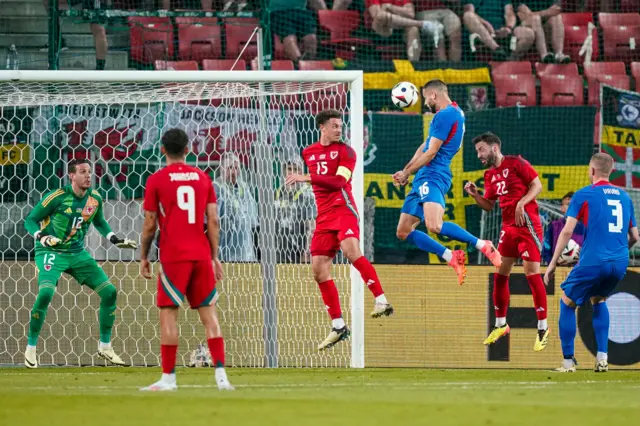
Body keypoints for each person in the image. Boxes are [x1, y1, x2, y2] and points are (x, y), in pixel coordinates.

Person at [286, 109, 393, 351]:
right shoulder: (308, 152)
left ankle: (381, 300)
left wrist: (307, 178)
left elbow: (339, 182)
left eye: (340, 126)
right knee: (318, 270)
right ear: (322, 127)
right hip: (323, 216)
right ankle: (338, 326)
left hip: (343, 209)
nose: (339, 130)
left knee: (351, 252)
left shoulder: (346, 151)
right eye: (334, 126)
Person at [139, 128, 233, 391]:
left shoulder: (156, 180)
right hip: (201, 255)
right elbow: (213, 220)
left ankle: (168, 379)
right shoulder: (203, 178)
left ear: (162, 150)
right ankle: (222, 377)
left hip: (174, 256)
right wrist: (214, 256)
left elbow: (149, 223)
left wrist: (144, 256)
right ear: (188, 150)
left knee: (169, 315)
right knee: (210, 316)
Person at [23, 159, 137, 368]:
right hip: (51, 251)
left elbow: (99, 221)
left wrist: (114, 239)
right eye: (83, 172)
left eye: (90, 172)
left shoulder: (94, 199)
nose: (88, 176)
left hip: (77, 253)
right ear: (72, 176)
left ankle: (105, 347)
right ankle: (31, 347)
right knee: (46, 293)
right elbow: (30, 220)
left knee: (110, 292)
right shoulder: (57, 197)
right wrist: (41, 237)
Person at [394, 80, 502, 285]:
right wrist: (407, 171)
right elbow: (426, 146)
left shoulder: (445, 115)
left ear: (433, 95)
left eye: (426, 97)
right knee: (403, 231)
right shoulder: (453, 113)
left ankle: (482, 244)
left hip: (433, 174)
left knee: (434, 225)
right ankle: (450, 256)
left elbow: (432, 152)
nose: (425, 102)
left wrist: (408, 171)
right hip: (423, 176)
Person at [544, 153, 639, 373]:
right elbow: (634, 237)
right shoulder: (625, 197)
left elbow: (567, 230)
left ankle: (568, 362)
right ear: (611, 170)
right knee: (599, 299)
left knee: (567, 302)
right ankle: (602, 358)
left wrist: (552, 263)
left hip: (595, 259)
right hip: (619, 261)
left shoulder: (584, 194)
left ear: (592, 170)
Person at [465, 132, 549, 351]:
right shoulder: (489, 175)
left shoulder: (516, 163)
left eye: (481, 149)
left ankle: (543, 327)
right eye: (477, 151)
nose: (478, 155)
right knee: (500, 274)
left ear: (494, 148)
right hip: (508, 228)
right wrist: (476, 195)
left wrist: (522, 203)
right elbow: (489, 205)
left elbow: (537, 185)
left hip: (527, 225)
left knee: (532, 274)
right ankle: (501, 324)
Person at [214, 152, 258, 263]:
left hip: (245, 251)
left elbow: (253, 220)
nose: (233, 171)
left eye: (236, 168)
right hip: (223, 251)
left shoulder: (243, 187)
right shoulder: (216, 188)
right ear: (222, 168)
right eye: (229, 168)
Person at [366, 0, 445, 62]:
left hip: (400, 27)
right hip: (380, 30)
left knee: (413, 29)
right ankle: (423, 24)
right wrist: (400, 11)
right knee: (381, 16)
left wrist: (389, 6)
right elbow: (376, 15)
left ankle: (414, 64)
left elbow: (411, 14)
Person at [462, 0, 535, 60]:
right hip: (482, 33)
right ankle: (496, 49)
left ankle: (510, 61)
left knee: (529, 34)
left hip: (501, 32)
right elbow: (469, 12)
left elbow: (509, 14)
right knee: (468, 16)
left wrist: (508, 28)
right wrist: (485, 23)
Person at [275, 159, 317, 263]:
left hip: (299, 253)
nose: (292, 173)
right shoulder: (278, 193)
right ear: (284, 171)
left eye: (296, 169)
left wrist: (307, 252)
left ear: (301, 173)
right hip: (279, 252)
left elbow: (312, 226)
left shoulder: (308, 194)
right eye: (289, 169)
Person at [542, 191, 585, 265]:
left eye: (574, 205)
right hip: (558, 270)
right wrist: (553, 263)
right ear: (562, 208)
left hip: (580, 271)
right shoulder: (553, 226)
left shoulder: (587, 228)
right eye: (568, 204)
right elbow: (546, 251)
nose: (571, 207)